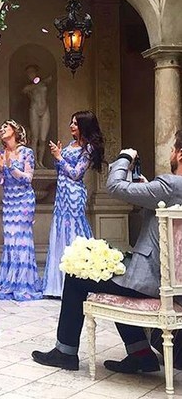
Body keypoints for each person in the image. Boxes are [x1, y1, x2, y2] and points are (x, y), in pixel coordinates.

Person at [32, 131, 182, 374]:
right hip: (173, 284)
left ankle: (65, 353)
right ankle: (141, 355)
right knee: (116, 273)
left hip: (152, 281)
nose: (171, 153)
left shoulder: (171, 185)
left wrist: (125, 157)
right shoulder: (169, 189)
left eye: (173, 149)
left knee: (76, 276)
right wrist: (147, 189)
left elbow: (114, 186)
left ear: (180, 155)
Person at [42, 110, 105, 297]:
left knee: (74, 234)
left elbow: (76, 174)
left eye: (76, 123)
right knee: (60, 231)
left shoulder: (88, 149)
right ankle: (57, 285)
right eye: (71, 122)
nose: (71, 126)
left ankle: (79, 283)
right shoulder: (71, 144)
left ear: (84, 126)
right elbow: (62, 171)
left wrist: (60, 157)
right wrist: (58, 158)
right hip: (62, 195)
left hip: (74, 195)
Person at [0, 120, 43, 300]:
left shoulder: (26, 152)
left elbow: (28, 178)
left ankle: (24, 282)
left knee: (22, 240)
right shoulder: (2, 153)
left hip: (23, 201)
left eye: (5, 127)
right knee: (10, 241)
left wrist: (11, 167)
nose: (2, 129)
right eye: (1, 127)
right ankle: (11, 281)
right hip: (9, 201)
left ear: (15, 131)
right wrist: (1, 169)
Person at [22, 65, 52, 169]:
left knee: (43, 139)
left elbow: (51, 78)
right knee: (34, 137)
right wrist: (39, 83)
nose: (30, 75)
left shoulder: (43, 83)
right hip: (34, 109)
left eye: (32, 72)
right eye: (28, 73)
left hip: (45, 110)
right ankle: (34, 162)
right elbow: (24, 90)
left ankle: (40, 161)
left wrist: (41, 82)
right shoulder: (29, 86)